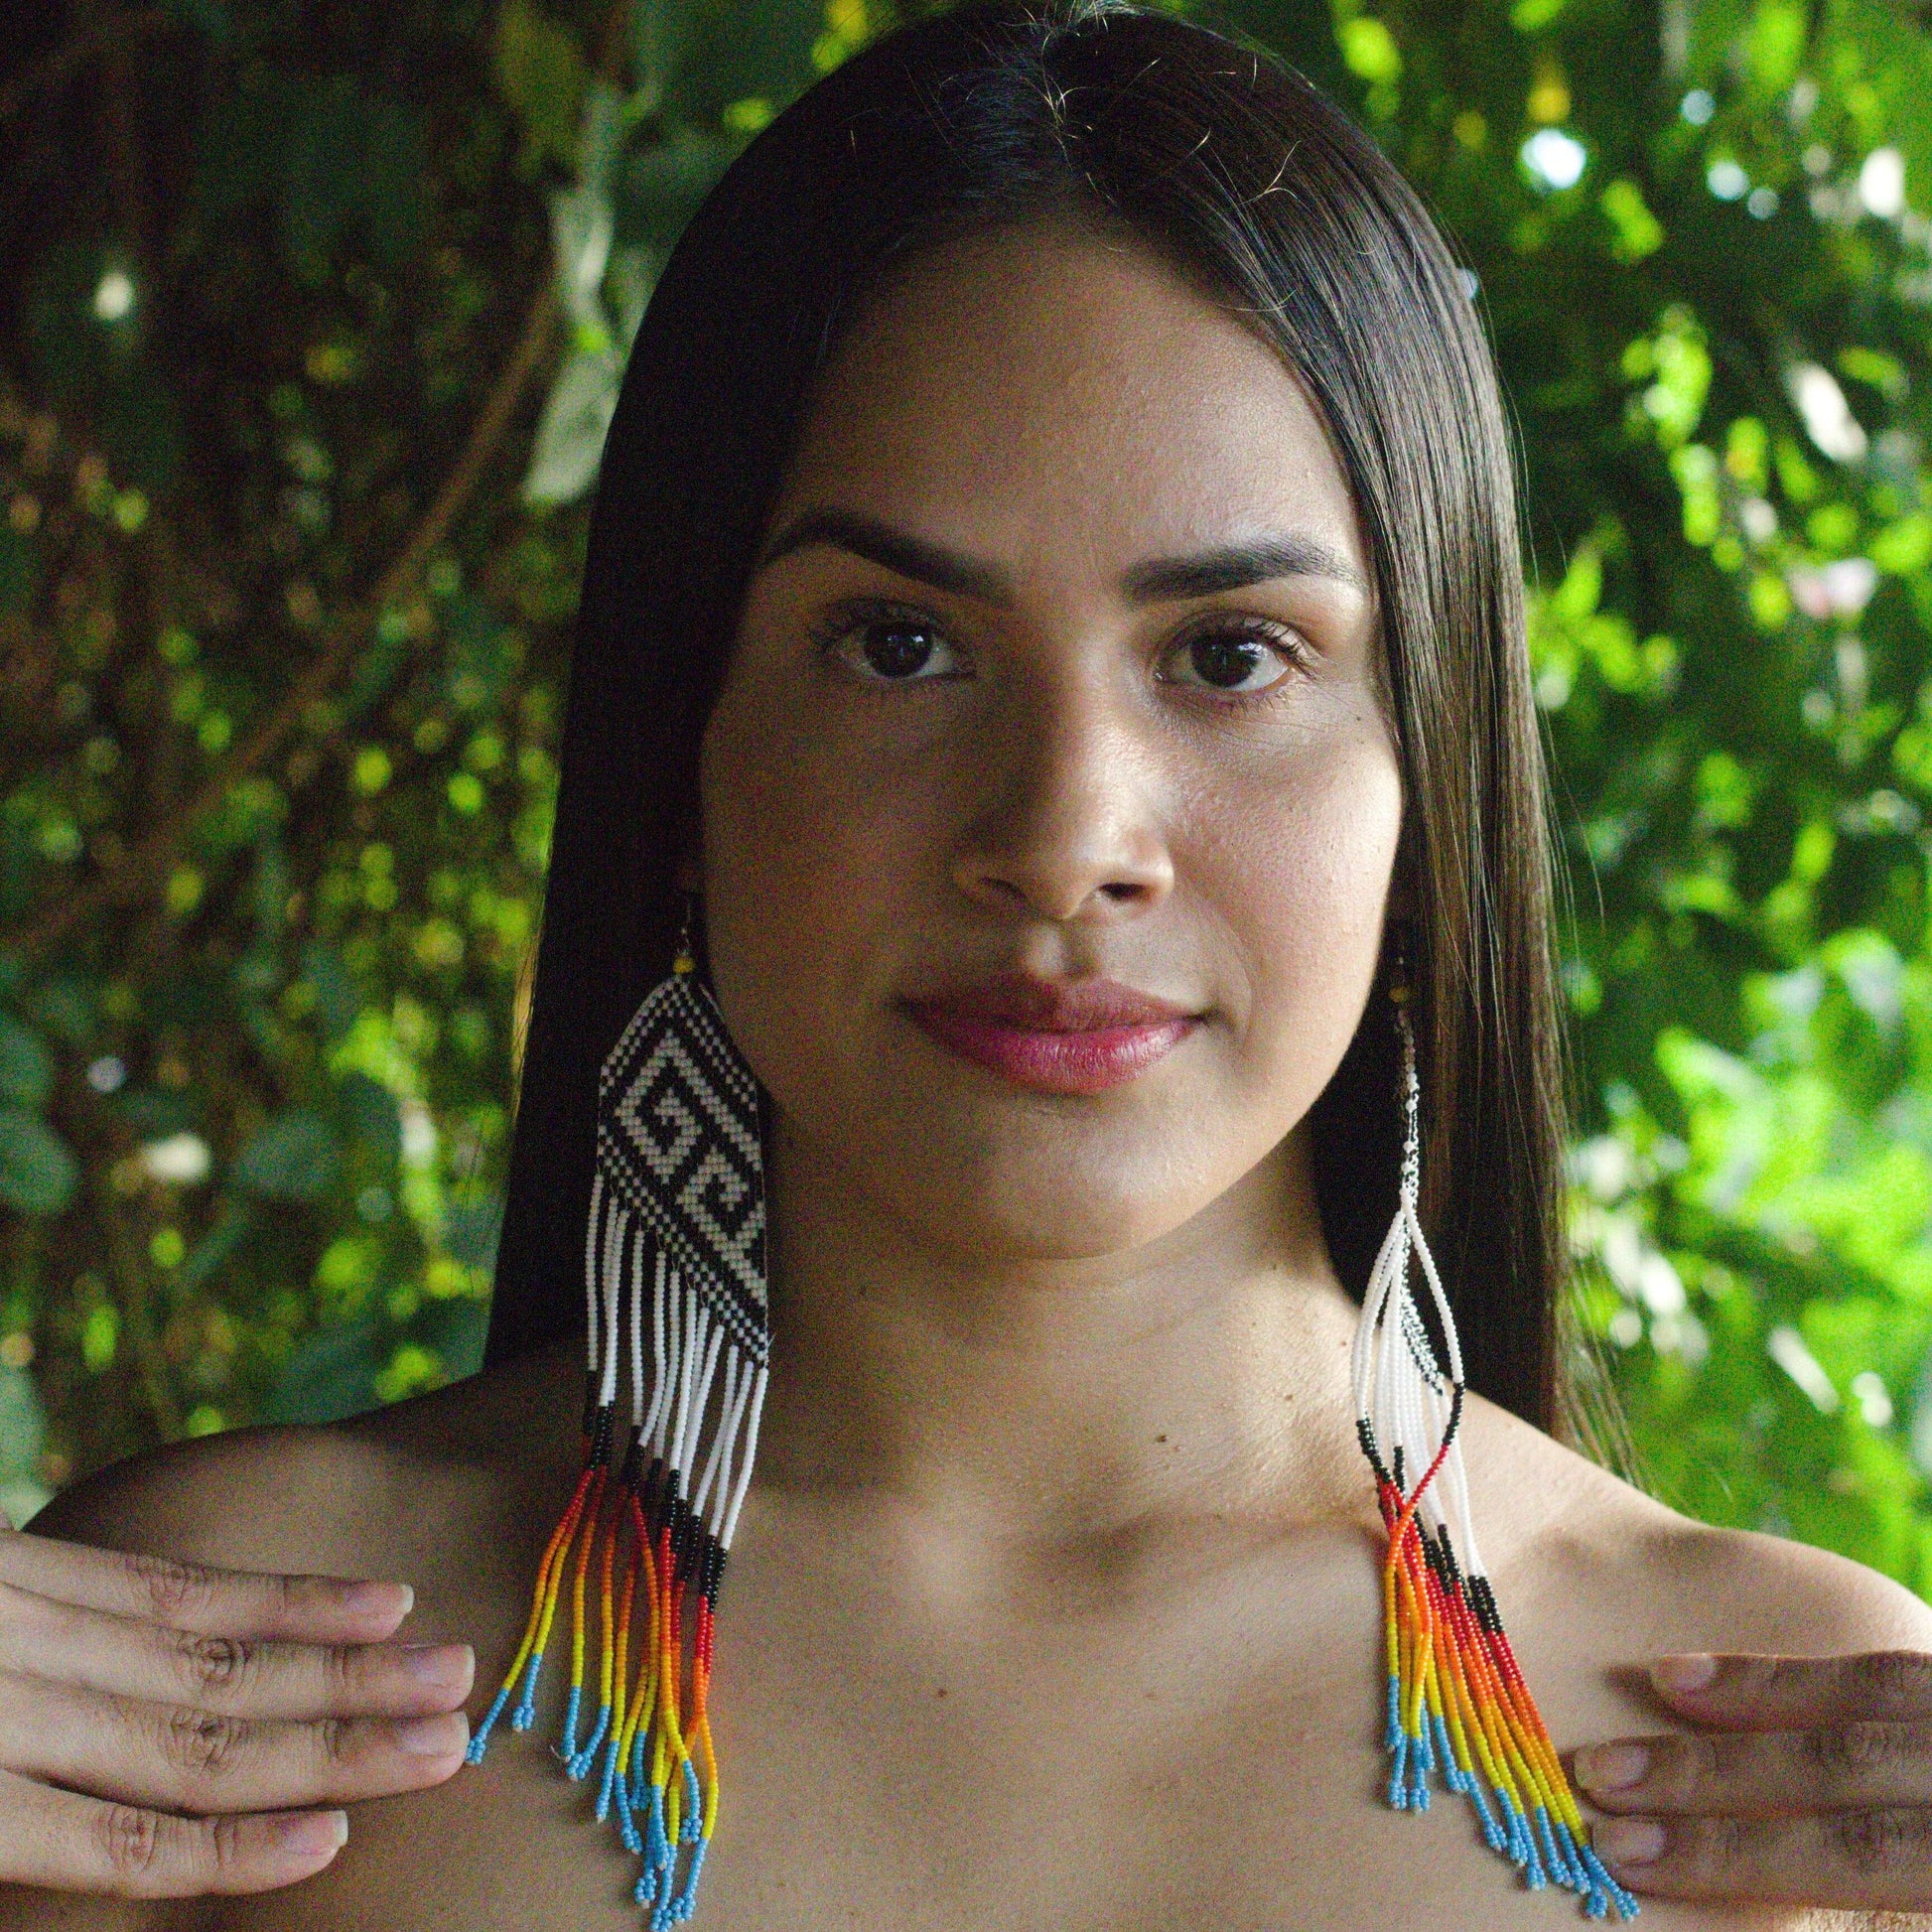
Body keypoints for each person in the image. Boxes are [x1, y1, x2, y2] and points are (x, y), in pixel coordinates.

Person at [9, 1, 1932, 1924]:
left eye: (1228, 654)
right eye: (898, 646)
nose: (1065, 835)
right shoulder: (198, 1703)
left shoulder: (1791, 1762)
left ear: (1427, 788)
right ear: (684, 750)